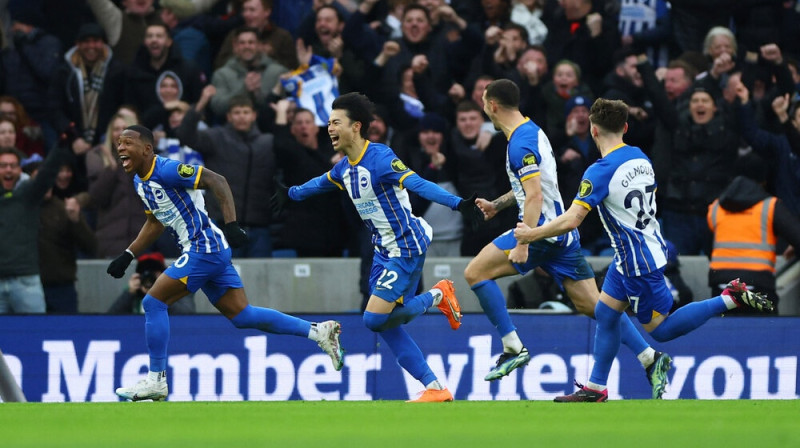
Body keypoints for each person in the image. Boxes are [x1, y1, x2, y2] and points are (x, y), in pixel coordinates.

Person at [513, 98, 774, 402]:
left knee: (661, 330)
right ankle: (596, 388)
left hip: (638, 263)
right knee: (606, 314)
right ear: (624, 127)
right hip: (635, 253)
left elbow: (572, 220)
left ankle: (728, 299)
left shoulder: (599, 172)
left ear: (593, 130)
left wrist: (531, 234)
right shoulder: (639, 157)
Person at [107, 124, 344, 402]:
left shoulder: (167, 169)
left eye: (127, 143)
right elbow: (155, 221)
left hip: (202, 248)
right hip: (210, 250)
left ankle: (156, 380)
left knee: (153, 302)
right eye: (119, 144)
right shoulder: (140, 181)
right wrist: (128, 254)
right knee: (243, 316)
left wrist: (232, 224)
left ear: (147, 148)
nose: (120, 148)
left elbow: (217, 180)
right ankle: (318, 332)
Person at [465, 80, 666, 399]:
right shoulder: (531, 132)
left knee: (475, 273)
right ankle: (649, 358)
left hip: (543, 232)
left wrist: (523, 242)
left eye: (483, 102)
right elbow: (531, 187)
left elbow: (533, 197)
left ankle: (512, 346)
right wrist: (497, 204)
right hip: (563, 235)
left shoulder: (519, 144)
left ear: (492, 106)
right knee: (598, 308)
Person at [287, 92, 478, 402]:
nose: (329, 128)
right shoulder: (344, 168)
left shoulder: (381, 158)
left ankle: (439, 293)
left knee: (373, 318)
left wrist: (458, 204)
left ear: (356, 126)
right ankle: (434, 387)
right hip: (382, 252)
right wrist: (290, 194)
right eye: (328, 123)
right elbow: (320, 182)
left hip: (405, 248)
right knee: (387, 326)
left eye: (336, 122)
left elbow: (417, 183)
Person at [1, 134, 76, 314]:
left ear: (20, 170)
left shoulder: (29, 193)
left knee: (34, 333)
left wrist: (60, 146)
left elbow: (46, 174)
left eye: (13, 165)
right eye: (3, 166)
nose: (8, 170)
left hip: (26, 281)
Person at [108, 252, 195, 315]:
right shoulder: (134, 291)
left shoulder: (178, 287)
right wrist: (129, 294)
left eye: (154, 273)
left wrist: (160, 294)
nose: (149, 279)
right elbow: (111, 318)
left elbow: (187, 315)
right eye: (144, 272)